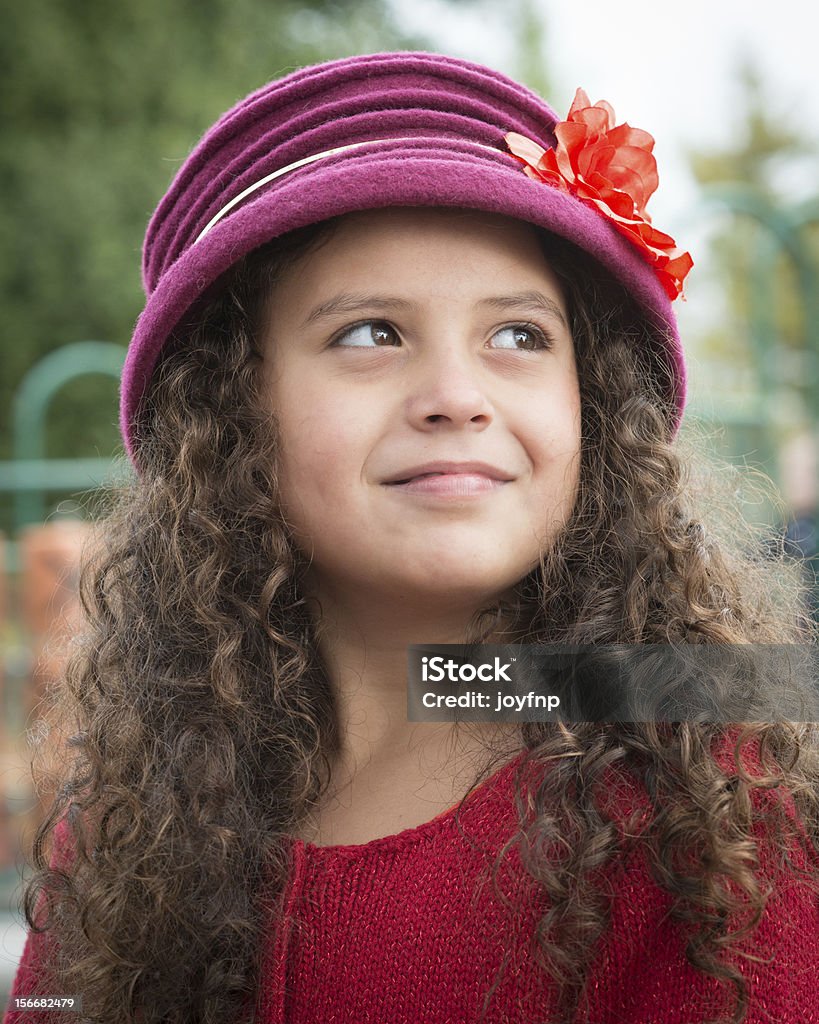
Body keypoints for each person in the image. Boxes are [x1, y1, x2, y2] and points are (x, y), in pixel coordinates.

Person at [4, 51, 818, 1024]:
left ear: (593, 403)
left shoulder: (706, 794)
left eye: (519, 335)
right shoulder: (134, 808)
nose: (457, 399)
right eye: (370, 334)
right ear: (231, 412)